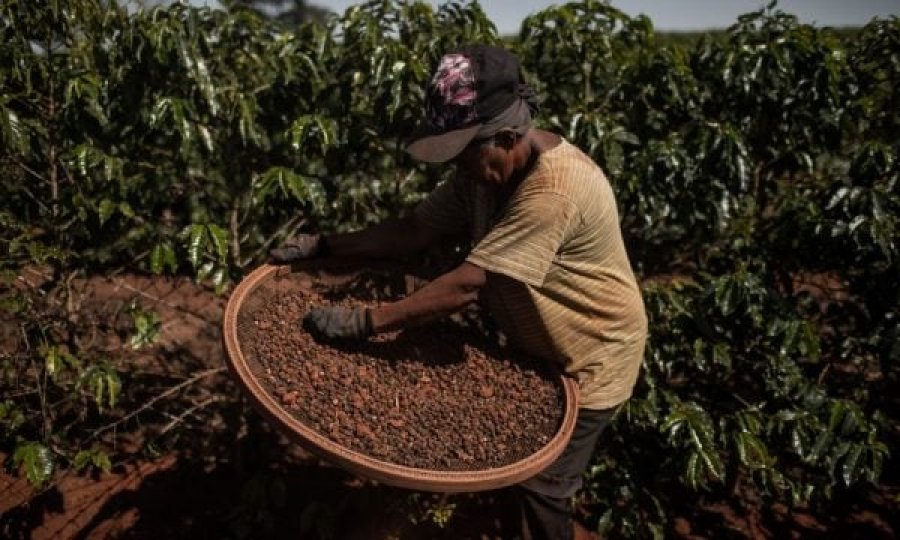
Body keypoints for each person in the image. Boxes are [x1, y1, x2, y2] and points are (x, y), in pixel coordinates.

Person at [270, 44, 648, 540]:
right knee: (514, 472)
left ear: (509, 136)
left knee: (542, 486)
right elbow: (414, 229)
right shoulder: (483, 174)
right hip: (537, 348)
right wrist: (325, 245)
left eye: (467, 150)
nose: (460, 164)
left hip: (591, 355)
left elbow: (470, 283)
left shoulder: (554, 192)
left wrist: (368, 322)